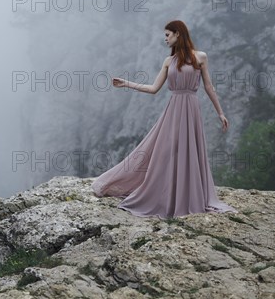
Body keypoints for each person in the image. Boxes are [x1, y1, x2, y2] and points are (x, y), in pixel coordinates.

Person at [91, 20, 238, 219]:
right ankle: (166, 196)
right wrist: (127, 83)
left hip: (191, 109)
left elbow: (209, 87)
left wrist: (220, 112)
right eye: (165, 35)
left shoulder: (200, 57)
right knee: (167, 150)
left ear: (178, 34)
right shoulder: (169, 62)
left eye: (168, 35)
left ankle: (189, 197)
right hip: (174, 109)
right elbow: (153, 89)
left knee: (189, 151)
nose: (165, 39)